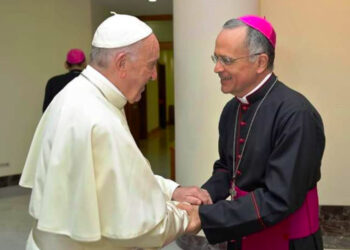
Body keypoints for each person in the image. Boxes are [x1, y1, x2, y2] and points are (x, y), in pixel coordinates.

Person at [20, 13, 210, 250]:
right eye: (150, 65)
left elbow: (119, 177)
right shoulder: (98, 118)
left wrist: (173, 191)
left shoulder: (78, 94)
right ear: (121, 63)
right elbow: (142, 227)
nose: (154, 75)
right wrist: (188, 217)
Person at [180, 15, 325, 250]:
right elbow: (228, 168)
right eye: (216, 58)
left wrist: (205, 216)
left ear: (260, 62)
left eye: (226, 60)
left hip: (287, 241)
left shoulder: (296, 114)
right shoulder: (232, 109)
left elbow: (280, 197)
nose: (217, 68)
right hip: (242, 232)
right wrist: (205, 194)